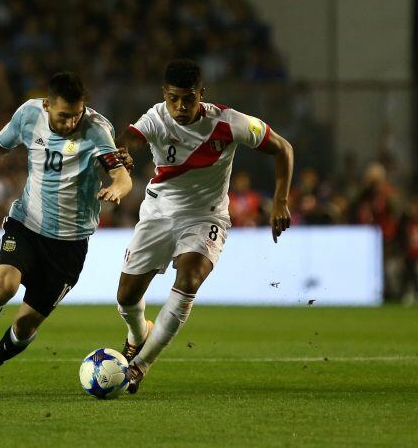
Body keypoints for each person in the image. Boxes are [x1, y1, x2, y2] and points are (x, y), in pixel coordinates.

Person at [0, 72, 132, 395]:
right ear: (47, 105)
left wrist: (118, 189)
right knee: (2, 287)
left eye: (76, 115)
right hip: (27, 224)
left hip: (70, 244)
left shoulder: (98, 129)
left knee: (25, 324)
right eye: (63, 116)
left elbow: (121, 174)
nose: (71, 122)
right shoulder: (29, 114)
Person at [114, 59, 293, 393]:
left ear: (202, 94)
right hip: (157, 214)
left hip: (205, 217)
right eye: (174, 99)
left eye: (189, 98)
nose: (181, 107)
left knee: (190, 279)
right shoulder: (156, 118)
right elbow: (127, 139)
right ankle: (138, 334)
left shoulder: (229, 122)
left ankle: (139, 366)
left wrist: (280, 201)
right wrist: (122, 152)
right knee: (125, 298)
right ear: (164, 95)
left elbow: (283, 148)